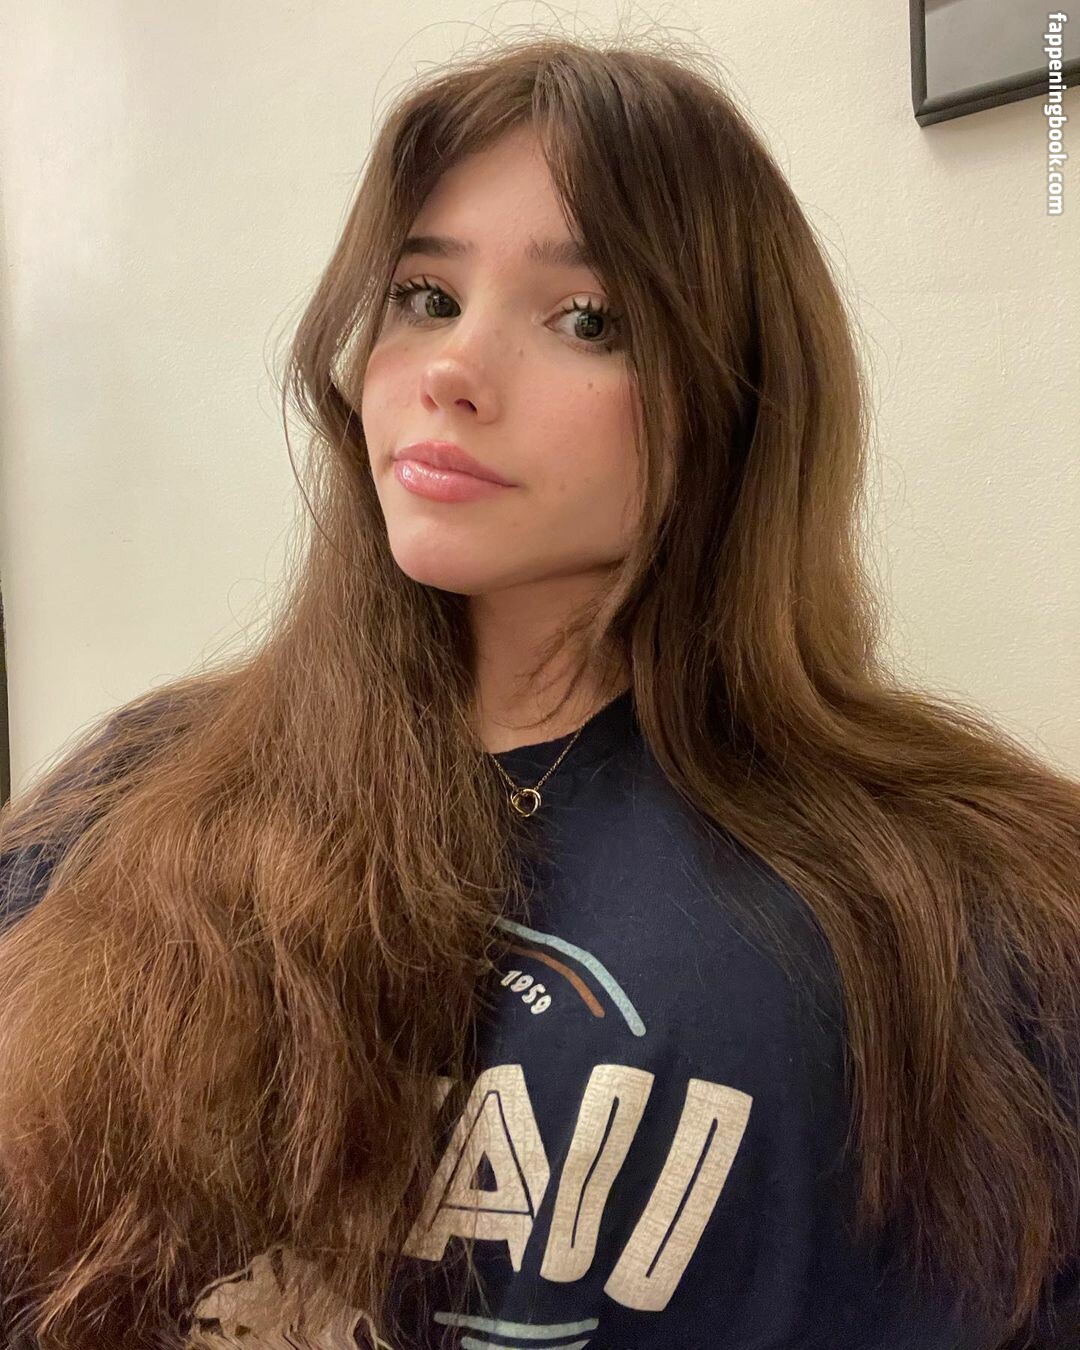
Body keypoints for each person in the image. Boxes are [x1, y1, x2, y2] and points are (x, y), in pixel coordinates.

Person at [0, 29, 1077, 1350]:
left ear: (737, 396)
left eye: (587, 320)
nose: (452, 370)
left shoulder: (949, 917)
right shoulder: (128, 800)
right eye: (424, 296)